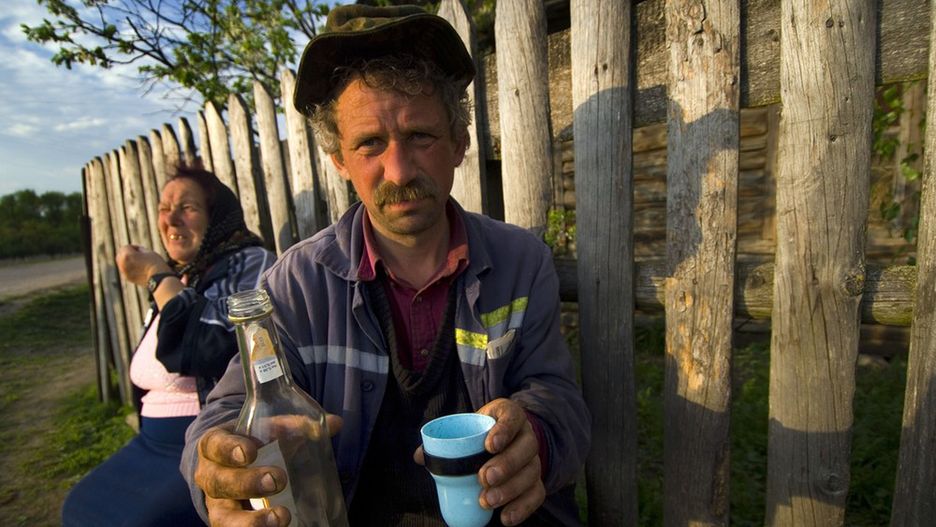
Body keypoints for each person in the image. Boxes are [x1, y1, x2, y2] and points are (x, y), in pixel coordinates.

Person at [181, 4, 591, 526]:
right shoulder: (294, 286)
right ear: (339, 159)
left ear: (459, 143)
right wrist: (218, 468)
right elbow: (226, 412)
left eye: (420, 135)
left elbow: (557, 396)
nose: (398, 171)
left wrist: (534, 435)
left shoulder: (521, 262)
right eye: (370, 143)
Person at [62, 165, 275, 526]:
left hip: (203, 441)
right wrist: (168, 279)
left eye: (187, 208)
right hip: (149, 443)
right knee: (78, 505)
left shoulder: (250, 262)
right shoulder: (186, 276)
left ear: (216, 217)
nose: (171, 220)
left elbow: (208, 349)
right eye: (164, 208)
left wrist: (157, 277)